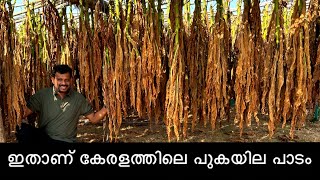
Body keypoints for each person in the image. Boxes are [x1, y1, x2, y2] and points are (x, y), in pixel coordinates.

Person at [17, 64, 108, 143]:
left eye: (66, 80)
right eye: (59, 80)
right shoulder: (42, 95)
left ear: (71, 80)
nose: (63, 83)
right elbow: (22, 114)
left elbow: (94, 118)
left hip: (66, 141)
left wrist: (108, 106)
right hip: (44, 139)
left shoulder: (78, 99)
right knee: (24, 130)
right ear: (53, 80)